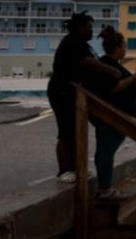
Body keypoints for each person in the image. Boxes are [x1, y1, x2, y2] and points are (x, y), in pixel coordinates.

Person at [48, 12, 122, 184]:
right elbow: (86, 62)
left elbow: (92, 61)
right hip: (62, 92)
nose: (91, 31)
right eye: (88, 27)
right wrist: (111, 70)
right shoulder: (71, 43)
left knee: (76, 131)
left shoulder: (83, 44)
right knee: (66, 132)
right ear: (80, 28)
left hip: (77, 94)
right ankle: (64, 170)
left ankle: (77, 166)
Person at [89, 27, 136, 200]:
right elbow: (112, 88)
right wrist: (133, 79)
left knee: (105, 150)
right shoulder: (107, 64)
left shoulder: (109, 63)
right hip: (111, 116)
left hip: (114, 115)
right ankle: (105, 188)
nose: (125, 49)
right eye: (123, 46)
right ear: (116, 48)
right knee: (106, 150)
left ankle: (105, 187)